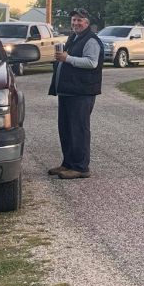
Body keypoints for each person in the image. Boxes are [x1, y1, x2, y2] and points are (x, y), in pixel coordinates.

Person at [47, 9, 103, 180]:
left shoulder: (91, 40)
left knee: (79, 129)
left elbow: (91, 62)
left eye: (80, 20)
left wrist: (67, 58)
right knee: (66, 129)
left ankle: (81, 167)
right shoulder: (73, 38)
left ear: (87, 23)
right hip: (68, 92)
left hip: (81, 92)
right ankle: (68, 163)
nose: (76, 23)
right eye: (74, 20)